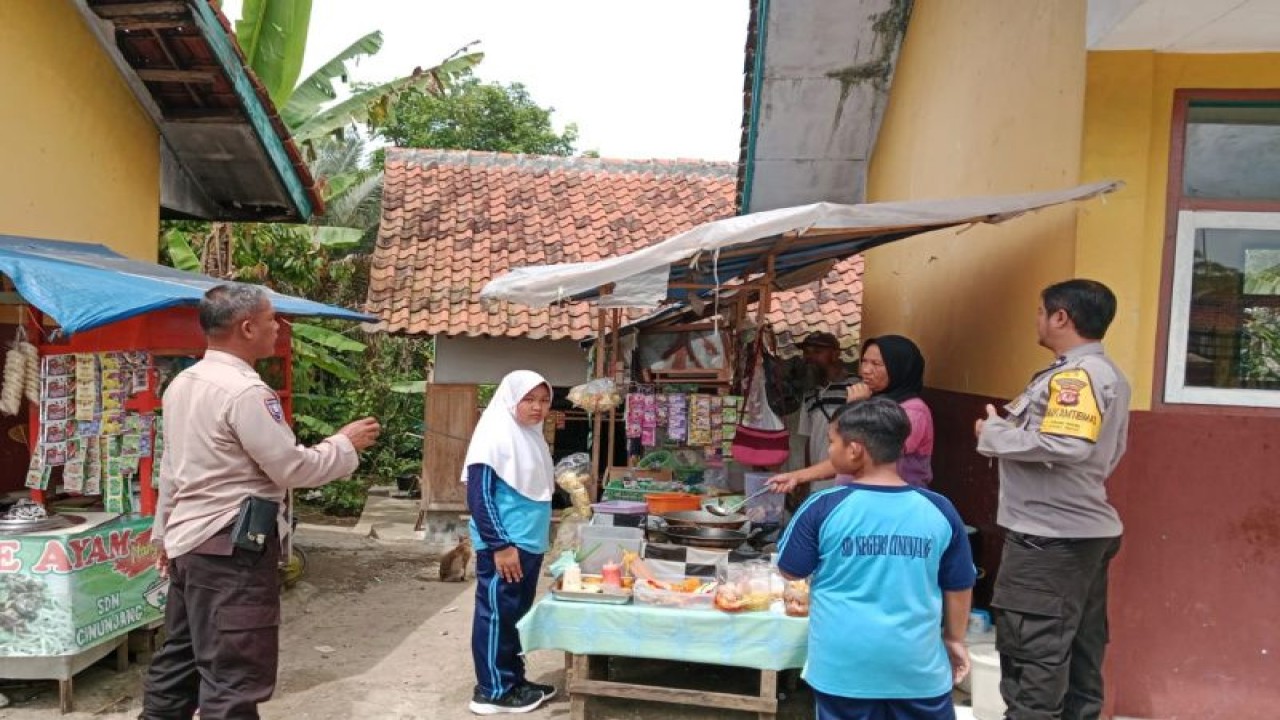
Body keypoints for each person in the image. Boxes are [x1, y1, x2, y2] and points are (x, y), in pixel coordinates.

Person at [141, 284, 381, 720]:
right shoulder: (245, 392)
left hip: (189, 546)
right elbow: (289, 468)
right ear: (247, 327)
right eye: (272, 319)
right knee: (233, 677)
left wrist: (164, 536)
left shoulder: (182, 385)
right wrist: (343, 445)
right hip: (229, 552)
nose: (279, 327)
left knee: (178, 664)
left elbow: (172, 470)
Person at [974, 279, 1129, 720]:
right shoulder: (1104, 374)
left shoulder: (1077, 377)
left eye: (1041, 312)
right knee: (1080, 648)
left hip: (1050, 538)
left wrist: (995, 434)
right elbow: (1107, 451)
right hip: (1080, 531)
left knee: (1033, 654)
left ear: (1062, 317)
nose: (1037, 320)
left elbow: (1068, 445)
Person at [777, 397, 975, 720]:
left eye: (831, 442)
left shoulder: (822, 507)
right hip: (919, 670)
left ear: (855, 450)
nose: (829, 451)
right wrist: (954, 639)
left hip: (842, 671)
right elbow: (959, 583)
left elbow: (789, 569)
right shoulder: (940, 509)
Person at [464, 370, 557, 715]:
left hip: (527, 543)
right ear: (510, 399)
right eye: (529, 399)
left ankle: (514, 680)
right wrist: (500, 545)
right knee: (496, 615)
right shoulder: (493, 435)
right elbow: (479, 496)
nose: (538, 408)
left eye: (544, 400)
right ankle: (491, 690)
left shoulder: (529, 436)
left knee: (515, 615)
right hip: (505, 546)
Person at [770, 334, 935, 492]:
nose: (866, 370)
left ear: (900, 368)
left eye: (876, 364)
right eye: (864, 361)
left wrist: (856, 408)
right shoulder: (873, 400)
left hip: (891, 505)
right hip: (857, 497)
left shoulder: (913, 411)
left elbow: (862, 454)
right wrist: (797, 477)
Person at [793, 331, 857, 491]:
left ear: (836, 354)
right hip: (818, 481)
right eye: (806, 353)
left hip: (846, 480)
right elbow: (808, 438)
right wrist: (806, 479)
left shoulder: (856, 387)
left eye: (817, 352)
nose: (810, 358)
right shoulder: (809, 395)